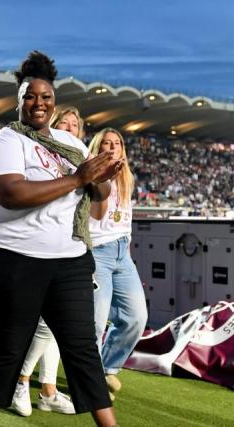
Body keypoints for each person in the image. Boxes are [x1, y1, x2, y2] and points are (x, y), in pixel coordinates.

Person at [0, 51, 121, 427]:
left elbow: (98, 195)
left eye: (46, 97)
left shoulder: (70, 143)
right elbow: (12, 195)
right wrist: (78, 178)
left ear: (54, 102)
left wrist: (104, 176)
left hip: (69, 260)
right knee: (10, 344)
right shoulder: (4, 141)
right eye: (30, 96)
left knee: (83, 348)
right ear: (18, 100)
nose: (38, 103)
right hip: (15, 258)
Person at [10, 105, 87, 417]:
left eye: (74, 125)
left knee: (57, 324)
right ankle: (21, 380)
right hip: (36, 250)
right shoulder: (38, 158)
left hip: (72, 248)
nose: (69, 129)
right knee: (45, 324)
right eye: (63, 124)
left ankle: (48, 390)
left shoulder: (80, 164)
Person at [88, 127, 147, 401]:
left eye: (117, 143)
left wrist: (128, 245)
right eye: (106, 143)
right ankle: (92, 382)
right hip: (98, 251)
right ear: (98, 148)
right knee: (96, 322)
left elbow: (126, 216)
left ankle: (107, 366)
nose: (112, 147)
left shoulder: (127, 178)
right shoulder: (89, 173)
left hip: (123, 252)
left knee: (137, 317)